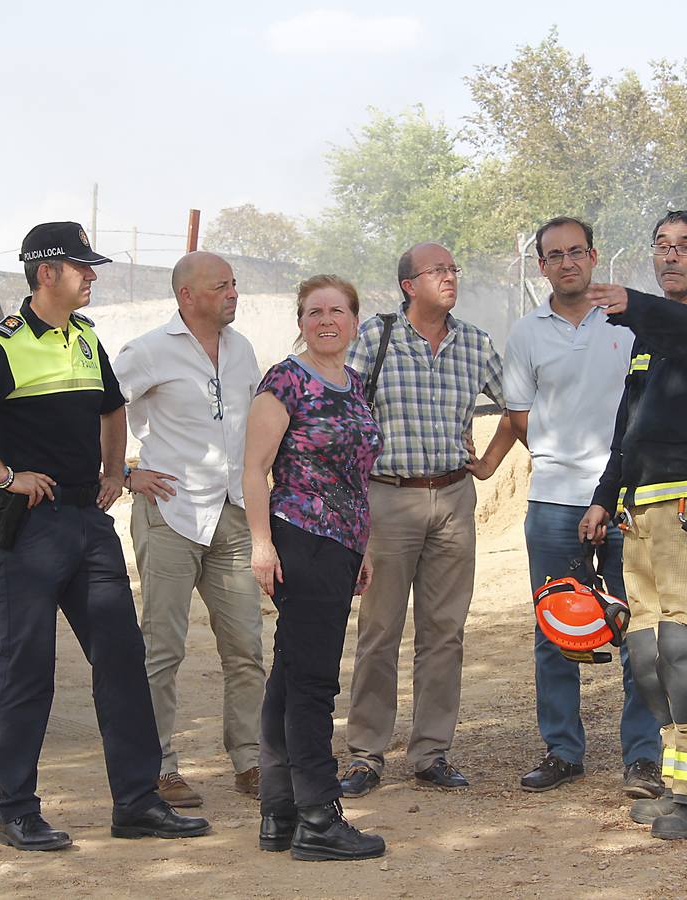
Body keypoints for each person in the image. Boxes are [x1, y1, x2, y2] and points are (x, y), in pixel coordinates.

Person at [0, 221, 209, 851]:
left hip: (89, 522)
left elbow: (112, 406)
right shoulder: (3, 344)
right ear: (46, 271)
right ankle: (18, 812)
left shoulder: (85, 337)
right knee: (28, 667)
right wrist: (5, 475)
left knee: (121, 660)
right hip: (30, 530)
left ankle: (136, 803)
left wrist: (117, 471)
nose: (92, 276)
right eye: (82, 267)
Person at [580, 210, 687, 840]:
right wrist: (604, 497)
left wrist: (635, 303)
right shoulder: (648, 338)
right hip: (644, 511)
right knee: (653, 657)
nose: (671, 256)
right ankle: (684, 786)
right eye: (661, 246)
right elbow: (628, 431)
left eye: (686, 247)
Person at [339, 242, 517, 797]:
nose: (449, 278)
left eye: (452, 269)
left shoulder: (476, 344)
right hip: (389, 499)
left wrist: (487, 463)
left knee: (445, 633)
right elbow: (340, 406)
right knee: (379, 632)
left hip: (454, 499)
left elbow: (518, 405)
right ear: (408, 285)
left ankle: (431, 753)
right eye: (436, 270)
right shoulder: (375, 337)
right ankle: (367, 754)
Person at [503, 216, 664, 798]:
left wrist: (613, 476)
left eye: (577, 252)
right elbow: (518, 412)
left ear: (594, 257)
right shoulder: (526, 333)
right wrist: (559, 455)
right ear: (541, 265)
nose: (567, 262)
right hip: (552, 500)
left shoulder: (629, 319)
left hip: (628, 500)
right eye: (554, 255)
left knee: (636, 627)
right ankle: (563, 750)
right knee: (555, 625)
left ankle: (643, 757)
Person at [113, 251, 266, 807]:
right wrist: (127, 473)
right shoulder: (148, 351)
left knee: (247, 646)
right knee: (163, 649)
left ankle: (251, 761)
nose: (232, 293)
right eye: (221, 286)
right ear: (187, 295)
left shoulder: (242, 349)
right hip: (170, 513)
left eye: (234, 284)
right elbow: (97, 410)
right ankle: (158, 767)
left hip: (230, 513)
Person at [243, 275, 386, 862]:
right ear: (299, 320)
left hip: (343, 545)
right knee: (311, 682)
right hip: (299, 538)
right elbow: (254, 469)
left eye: (337, 311)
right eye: (313, 311)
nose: (326, 320)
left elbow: (356, 474)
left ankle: (279, 814)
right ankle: (320, 818)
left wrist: (365, 546)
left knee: (288, 678)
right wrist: (260, 544)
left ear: (355, 320)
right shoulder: (285, 380)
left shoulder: (354, 384)